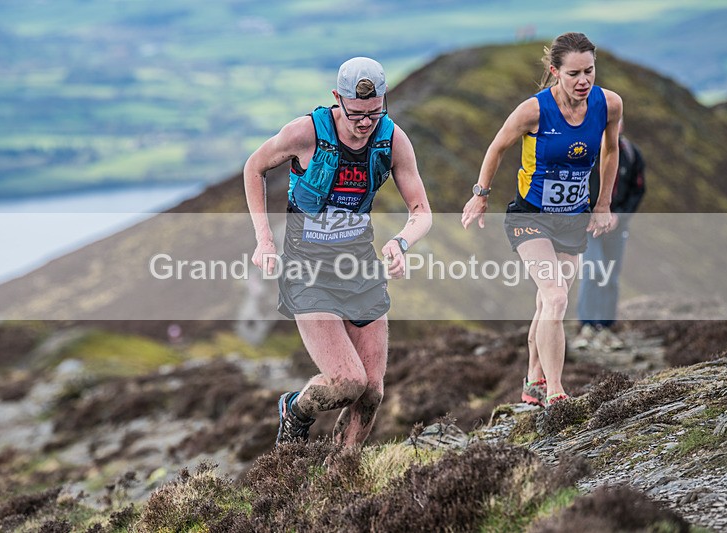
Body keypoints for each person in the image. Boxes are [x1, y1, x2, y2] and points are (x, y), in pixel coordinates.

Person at [244, 57, 432, 447]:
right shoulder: (305, 133)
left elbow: (421, 212)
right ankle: (295, 409)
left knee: (372, 391)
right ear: (337, 99)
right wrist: (264, 239)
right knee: (347, 382)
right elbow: (254, 168)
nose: (365, 124)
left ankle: (341, 475)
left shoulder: (392, 139)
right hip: (306, 268)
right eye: (356, 114)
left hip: (359, 266)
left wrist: (400, 243)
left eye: (374, 113)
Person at [461, 32, 622, 408]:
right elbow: (497, 147)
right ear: (555, 72)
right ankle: (555, 391)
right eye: (573, 74)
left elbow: (611, 150)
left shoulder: (608, 104)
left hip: (573, 219)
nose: (583, 81)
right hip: (530, 218)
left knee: (547, 304)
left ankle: (532, 379)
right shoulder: (533, 110)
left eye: (589, 71)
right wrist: (480, 195)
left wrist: (603, 204)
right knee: (556, 296)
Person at [572, 119, 646, 352]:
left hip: (617, 227)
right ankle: (586, 326)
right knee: (593, 270)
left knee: (611, 277)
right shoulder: (586, 151)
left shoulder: (632, 155)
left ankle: (604, 327)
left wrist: (619, 217)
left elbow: (638, 190)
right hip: (590, 227)